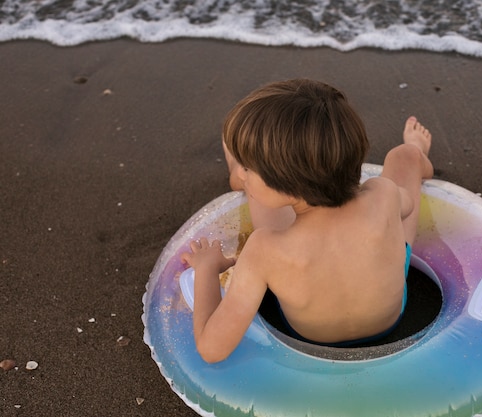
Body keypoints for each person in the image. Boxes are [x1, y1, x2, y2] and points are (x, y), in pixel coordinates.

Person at [181, 79, 433, 363]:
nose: (246, 175)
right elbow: (407, 207)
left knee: (262, 204)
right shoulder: (383, 194)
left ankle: (237, 170)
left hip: (308, 335)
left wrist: (206, 268)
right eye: (245, 168)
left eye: (248, 169)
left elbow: (212, 349)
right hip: (390, 318)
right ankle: (417, 153)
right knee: (403, 157)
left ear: (287, 186)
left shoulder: (264, 249)